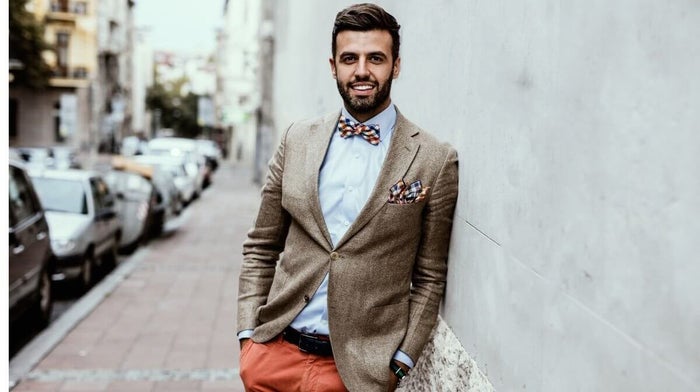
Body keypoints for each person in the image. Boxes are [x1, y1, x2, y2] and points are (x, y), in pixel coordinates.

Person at [237, 3, 459, 391]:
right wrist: (247, 336)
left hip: (356, 375)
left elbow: (429, 275)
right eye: (349, 58)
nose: (361, 71)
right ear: (333, 65)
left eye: (375, 58)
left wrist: (401, 363)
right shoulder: (296, 140)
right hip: (274, 357)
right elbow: (260, 245)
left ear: (396, 65)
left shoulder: (434, 160)